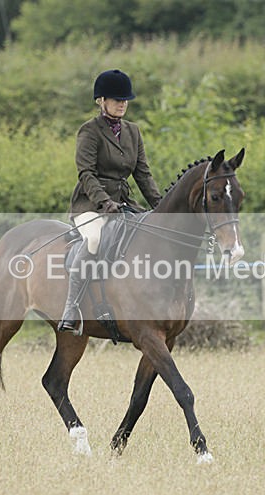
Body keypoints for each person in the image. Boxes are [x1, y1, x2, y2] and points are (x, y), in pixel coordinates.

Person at [57, 69, 163, 333]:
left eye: (125, 99)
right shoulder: (89, 131)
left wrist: (161, 206)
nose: (122, 103)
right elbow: (86, 173)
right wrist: (104, 203)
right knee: (93, 239)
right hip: (90, 205)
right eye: (116, 99)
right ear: (101, 101)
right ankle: (71, 308)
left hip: (122, 203)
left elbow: (143, 174)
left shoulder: (133, 132)